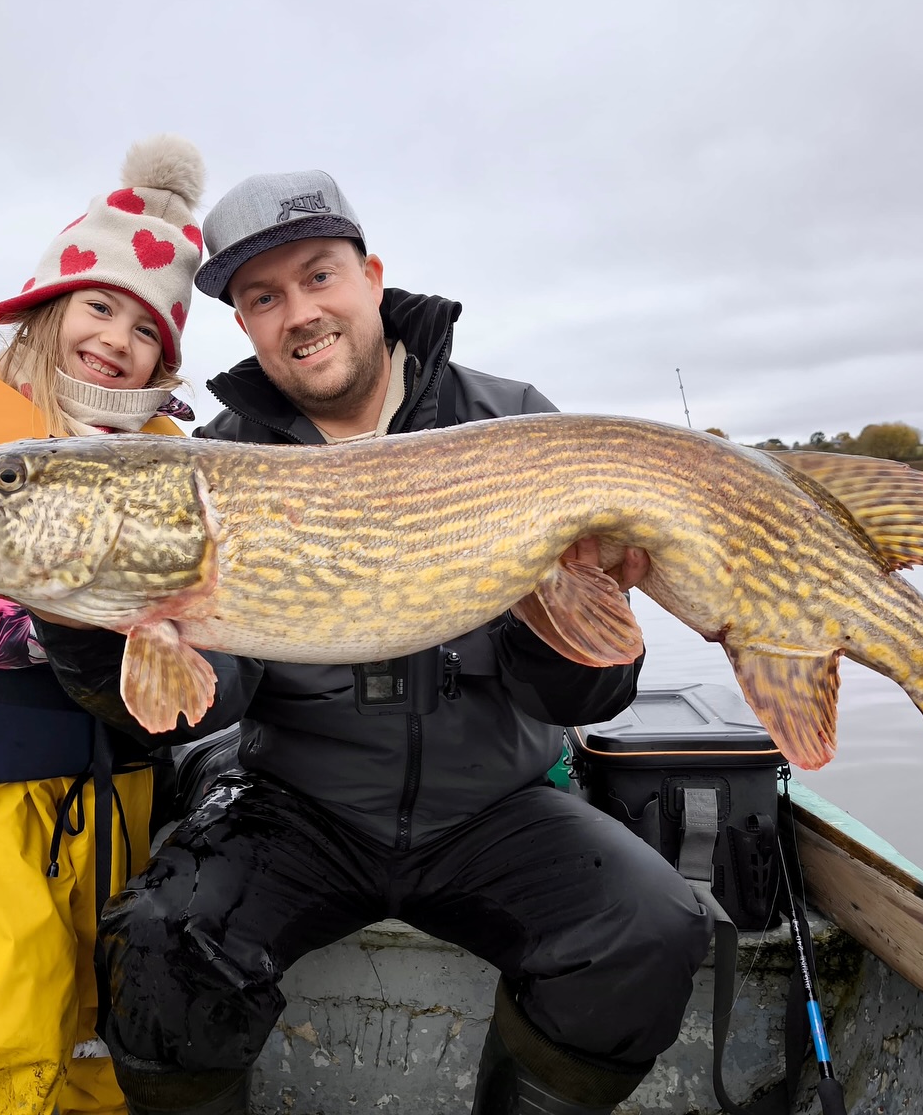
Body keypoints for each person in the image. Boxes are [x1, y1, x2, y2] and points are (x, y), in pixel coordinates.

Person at [35, 170, 713, 1115]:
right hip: (299, 811)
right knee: (158, 943)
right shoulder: (219, 463)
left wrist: (577, 606)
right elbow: (205, 699)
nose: (299, 313)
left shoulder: (509, 419)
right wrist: (80, 624)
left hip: (496, 807)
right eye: (264, 298)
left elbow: (582, 703)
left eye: (318, 277)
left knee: (648, 927)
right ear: (244, 325)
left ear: (372, 276)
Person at [0, 135, 241, 1115]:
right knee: (22, 995)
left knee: (109, 1003)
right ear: (48, 304)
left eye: (146, 329)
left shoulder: (162, 454)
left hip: (114, 769)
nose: (115, 339)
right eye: (98, 305)